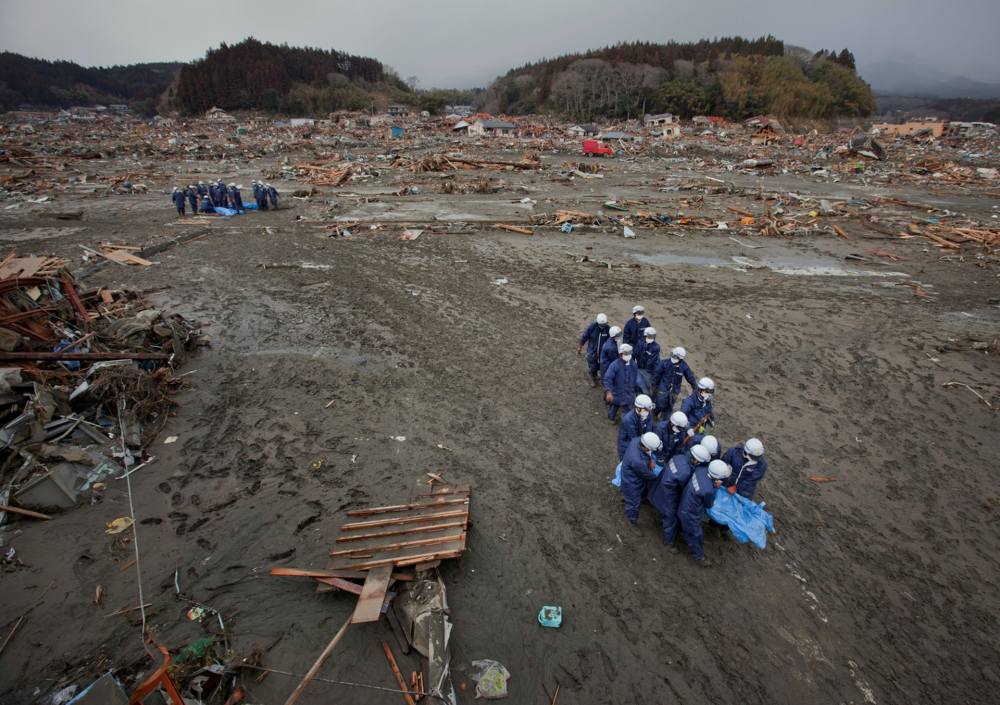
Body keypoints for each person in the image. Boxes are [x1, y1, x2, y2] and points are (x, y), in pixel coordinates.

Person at [649, 443, 711, 548]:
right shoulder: (686, 472)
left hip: (660, 484)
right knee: (671, 517)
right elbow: (684, 489)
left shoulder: (680, 457)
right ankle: (668, 542)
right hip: (668, 494)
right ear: (695, 460)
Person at [678, 458, 732, 565]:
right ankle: (698, 556)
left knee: (687, 527)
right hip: (690, 513)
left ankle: (683, 531)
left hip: (685, 502)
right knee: (695, 534)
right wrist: (715, 487)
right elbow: (708, 504)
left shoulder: (701, 470)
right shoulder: (708, 490)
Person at [621, 432, 662, 526]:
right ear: (647, 448)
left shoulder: (638, 440)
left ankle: (628, 499)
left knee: (634, 495)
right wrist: (657, 477)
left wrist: (651, 459)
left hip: (630, 472)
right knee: (634, 502)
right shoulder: (637, 461)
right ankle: (632, 520)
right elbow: (647, 474)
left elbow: (648, 453)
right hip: (631, 481)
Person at [651, 346, 697, 419]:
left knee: (669, 406)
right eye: (673, 355)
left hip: (675, 391)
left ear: (681, 358)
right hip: (663, 388)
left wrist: (695, 387)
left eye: (676, 357)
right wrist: (653, 384)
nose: (674, 357)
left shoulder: (684, 367)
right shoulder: (664, 363)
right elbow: (657, 374)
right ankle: (654, 414)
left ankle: (664, 420)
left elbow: (690, 376)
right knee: (658, 404)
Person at [603, 343, 638, 423]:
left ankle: (626, 423)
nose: (628, 355)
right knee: (614, 407)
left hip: (629, 394)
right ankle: (611, 418)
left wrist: (634, 390)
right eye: (626, 353)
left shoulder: (633, 365)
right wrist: (608, 392)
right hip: (616, 393)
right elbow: (607, 378)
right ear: (620, 354)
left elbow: (634, 378)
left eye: (629, 353)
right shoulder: (614, 365)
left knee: (628, 411)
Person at [617, 394, 654, 460]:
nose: (648, 412)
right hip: (626, 445)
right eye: (645, 410)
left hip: (639, 440)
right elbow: (634, 438)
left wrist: (649, 440)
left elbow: (649, 427)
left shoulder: (647, 414)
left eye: (648, 410)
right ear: (638, 408)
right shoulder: (628, 420)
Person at [578, 313, 610, 386]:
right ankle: (594, 379)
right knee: (592, 367)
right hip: (592, 353)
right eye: (601, 325)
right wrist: (580, 346)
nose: (603, 326)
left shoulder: (608, 329)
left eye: (604, 325)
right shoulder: (592, 327)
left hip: (603, 353)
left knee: (602, 367)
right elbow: (584, 336)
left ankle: (599, 377)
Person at [634, 327, 660, 395]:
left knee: (647, 385)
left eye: (652, 336)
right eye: (648, 336)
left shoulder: (656, 347)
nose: (650, 338)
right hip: (639, 366)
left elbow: (651, 362)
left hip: (649, 370)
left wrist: (644, 372)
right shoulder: (640, 343)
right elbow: (635, 354)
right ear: (645, 335)